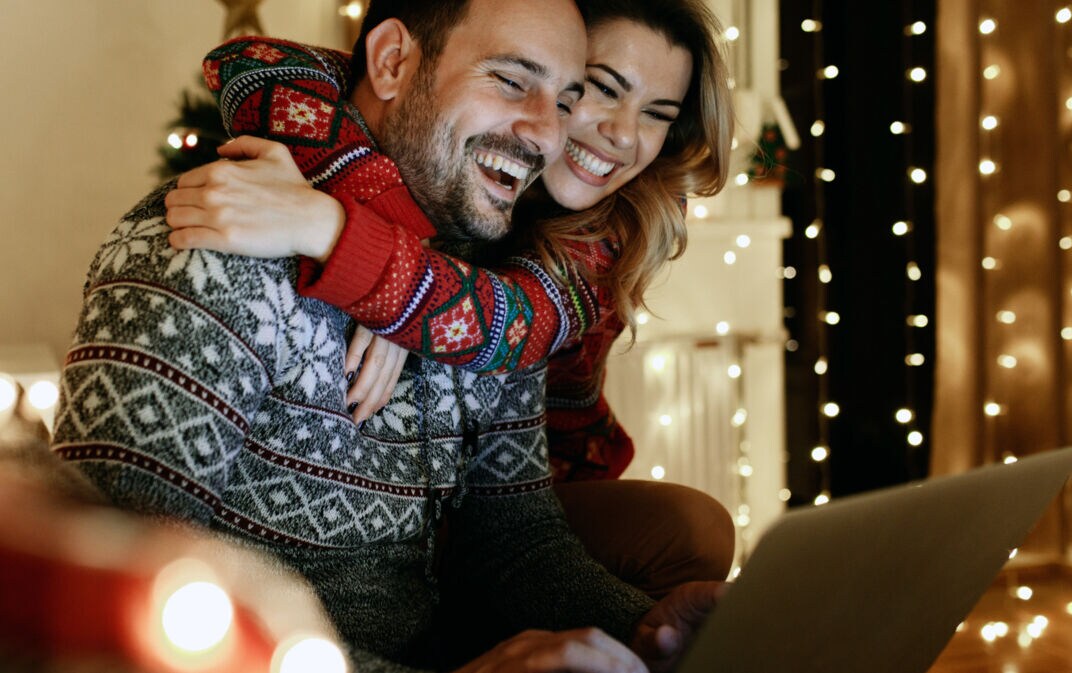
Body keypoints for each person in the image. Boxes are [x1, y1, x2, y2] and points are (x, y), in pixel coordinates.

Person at [50, 1, 721, 671]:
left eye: (566, 99)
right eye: (512, 81)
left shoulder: (489, 276)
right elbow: (115, 601)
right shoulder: (215, 241)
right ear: (392, 62)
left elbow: (516, 540)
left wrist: (648, 629)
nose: (549, 135)